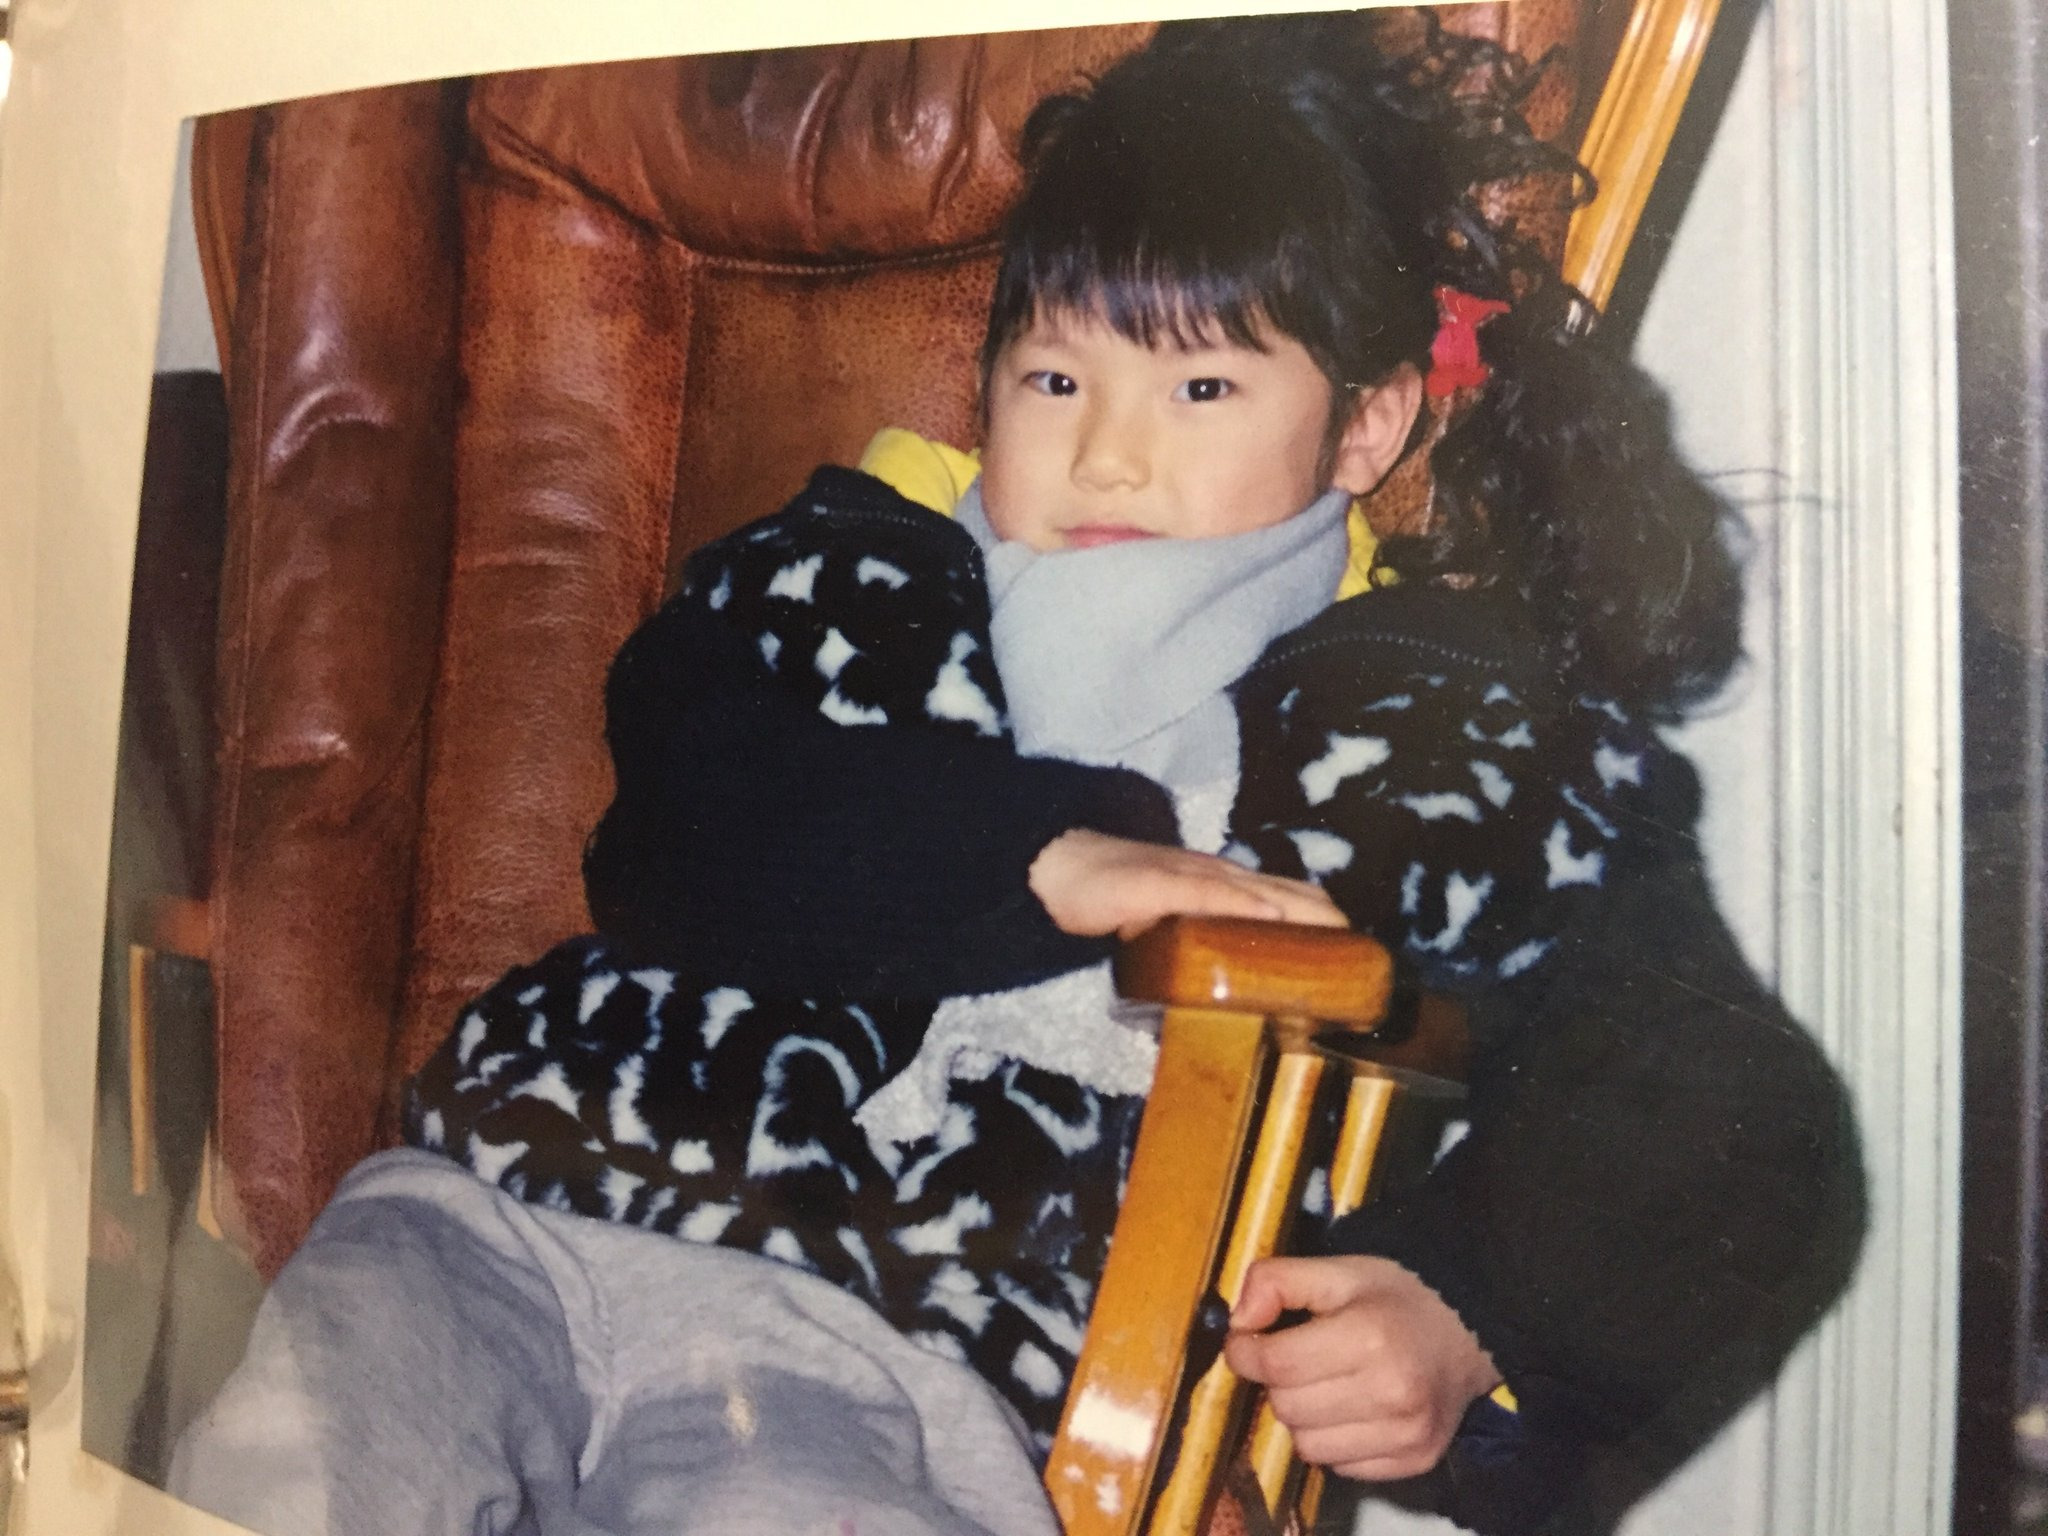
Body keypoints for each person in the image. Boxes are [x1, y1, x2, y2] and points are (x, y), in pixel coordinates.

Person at [174, 16, 1863, 1536]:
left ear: (1363, 428)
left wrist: (1464, 1302)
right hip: (505, 1216)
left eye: (1201, 384)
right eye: (1056, 377)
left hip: (905, 1359)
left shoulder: (1440, 732)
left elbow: (1742, 1114)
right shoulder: (841, 567)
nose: (1108, 452)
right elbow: (678, 820)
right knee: (299, 1453)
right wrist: (1046, 859)